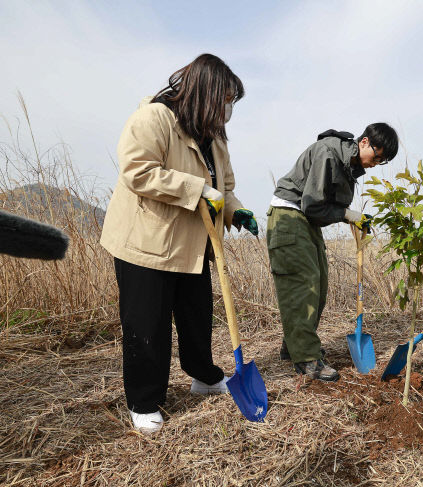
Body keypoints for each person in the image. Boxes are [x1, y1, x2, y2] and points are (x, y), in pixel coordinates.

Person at [100, 54, 258, 434]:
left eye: (230, 104)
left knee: (196, 318)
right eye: (223, 101)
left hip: (192, 244)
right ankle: (144, 400)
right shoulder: (154, 118)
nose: (226, 111)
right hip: (147, 242)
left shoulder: (214, 139)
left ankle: (204, 376)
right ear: (204, 94)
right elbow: (138, 171)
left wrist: (236, 211)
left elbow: (226, 188)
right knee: (148, 325)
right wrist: (197, 188)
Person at [267, 124, 398, 381]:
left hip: (306, 221)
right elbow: (313, 204)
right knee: (303, 286)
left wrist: (351, 216)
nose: (375, 163)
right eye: (377, 156)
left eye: (382, 161)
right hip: (289, 217)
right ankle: (305, 358)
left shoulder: (348, 164)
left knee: (319, 285)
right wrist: (347, 215)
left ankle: (293, 346)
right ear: (364, 142)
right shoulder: (328, 153)